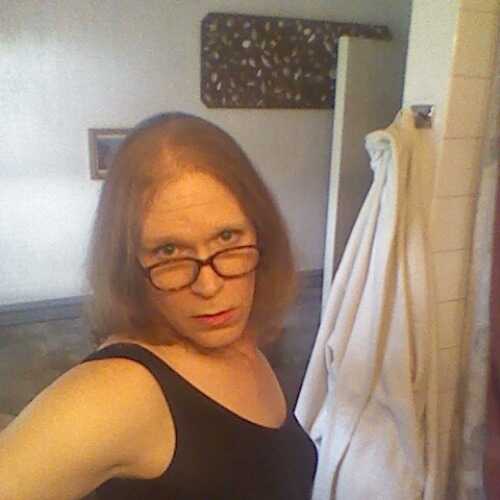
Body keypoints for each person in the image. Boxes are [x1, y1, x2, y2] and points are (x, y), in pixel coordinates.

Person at [0, 112, 318, 499]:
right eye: (168, 250)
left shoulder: (242, 339)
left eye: (227, 237)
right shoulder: (121, 390)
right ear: (130, 262)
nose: (209, 286)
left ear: (261, 233)